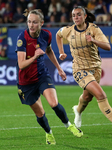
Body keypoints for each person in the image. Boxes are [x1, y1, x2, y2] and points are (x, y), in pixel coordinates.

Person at [56, 6, 112, 134]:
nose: (76, 17)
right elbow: (58, 35)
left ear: (85, 16)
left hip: (95, 68)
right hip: (79, 69)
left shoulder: (94, 29)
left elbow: (108, 46)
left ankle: (78, 110)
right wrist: (61, 52)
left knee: (87, 97)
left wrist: (94, 40)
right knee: (100, 95)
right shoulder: (68, 30)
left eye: (79, 15)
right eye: (74, 15)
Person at [15, 9, 83, 145]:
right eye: (29, 22)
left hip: (41, 76)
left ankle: (69, 125)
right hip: (26, 82)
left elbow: (49, 50)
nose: (31, 25)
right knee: (40, 113)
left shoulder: (46, 35)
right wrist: (35, 55)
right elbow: (21, 65)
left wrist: (59, 69)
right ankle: (49, 134)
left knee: (54, 103)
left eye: (34, 22)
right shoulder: (22, 39)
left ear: (41, 23)